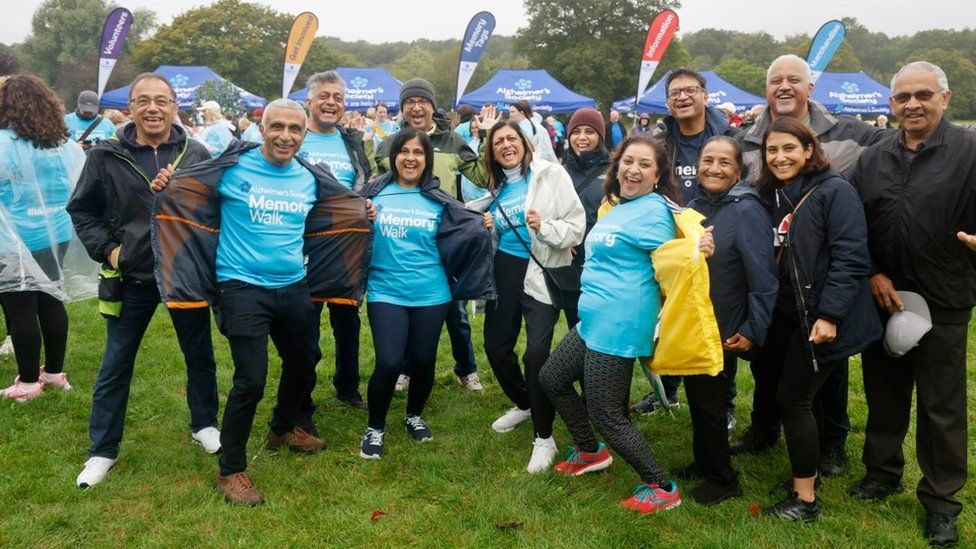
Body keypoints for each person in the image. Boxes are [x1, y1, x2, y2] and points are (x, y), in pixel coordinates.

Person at [149, 98, 374, 504]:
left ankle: (283, 426)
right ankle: (231, 469)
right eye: (277, 127)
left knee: (306, 362)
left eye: (294, 129)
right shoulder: (234, 168)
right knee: (250, 379)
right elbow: (191, 185)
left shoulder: (310, 177)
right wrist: (167, 184)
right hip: (241, 286)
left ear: (304, 134)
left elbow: (340, 206)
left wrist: (363, 210)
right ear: (261, 128)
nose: (285, 136)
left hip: (293, 285)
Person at [733, 55, 887, 478]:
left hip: (820, 286)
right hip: (774, 283)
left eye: (793, 80)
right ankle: (764, 429)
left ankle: (831, 444)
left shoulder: (851, 134)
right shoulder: (745, 137)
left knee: (824, 372)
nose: (784, 87)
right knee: (769, 364)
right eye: (775, 80)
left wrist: (834, 309)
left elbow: (851, 243)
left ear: (810, 88)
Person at [67, 73, 220, 488]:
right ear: (131, 107)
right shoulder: (105, 155)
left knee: (200, 356)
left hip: (184, 274)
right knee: (116, 364)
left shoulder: (196, 151)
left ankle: (205, 424)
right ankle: (102, 450)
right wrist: (112, 251)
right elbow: (82, 210)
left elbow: (211, 208)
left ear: (174, 107)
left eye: (161, 101)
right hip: (132, 276)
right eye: (143, 101)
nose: (153, 108)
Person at [850, 61, 975, 546]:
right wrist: (873, 273)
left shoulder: (969, 151)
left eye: (924, 95)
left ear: (946, 99)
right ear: (891, 105)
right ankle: (881, 474)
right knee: (885, 392)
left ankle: (941, 501)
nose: (913, 105)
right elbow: (855, 224)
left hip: (944, 295)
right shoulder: (875, 157)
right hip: (885, 295)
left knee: (941, 404)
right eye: (903, 97)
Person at [539, 136, 683, 514]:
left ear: (658, 175)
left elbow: (682, 250)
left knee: (607, 414)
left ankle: (661, 486)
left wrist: (699, 248)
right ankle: (590, 451)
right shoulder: (619, 206)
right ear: (617, 165)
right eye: (628, 161)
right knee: (552, 378)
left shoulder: (656, 210)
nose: (633, 170)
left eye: (645, 165)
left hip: (619, 325)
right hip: (593, 320)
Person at [756, 117, 880, 521]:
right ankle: (804, 477)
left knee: (794, 399)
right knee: (801, 398)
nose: (779, 157)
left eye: (789, 148)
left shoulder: (834, 191)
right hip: (793, 313)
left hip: (822, 317)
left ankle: (805, 501)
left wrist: (829, 316)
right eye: (772, 150)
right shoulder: (778, 193)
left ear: (809, 149)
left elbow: (851, 258)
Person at [358, 127, 494, 459]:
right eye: (404, 151)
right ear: (394, 156)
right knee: (389, 362)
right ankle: (375, 427)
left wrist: (481, 223)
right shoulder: (373, 194)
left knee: (422, 362)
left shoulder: (439, 199)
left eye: (418, 153)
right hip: (385, 290)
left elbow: (464, 227)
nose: (410, 158)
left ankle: (413, 415)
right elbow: (350, 227)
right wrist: (362, 216)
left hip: (432, 293)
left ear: (426, 159)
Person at [467, 120, 584, 473]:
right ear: (491, 151)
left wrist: (543, 227)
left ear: (525, 142)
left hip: (542, 273)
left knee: (536, 354)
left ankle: (544, 437)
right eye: (497, 141)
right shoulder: (496, 187)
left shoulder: (550, 175)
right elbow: (493, 236)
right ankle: (527, 402)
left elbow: (576, 226)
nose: (505, 145)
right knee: (496, 347)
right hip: (505, 270)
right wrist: (486, 227)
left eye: (510, 138)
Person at [673, 136, 777, 504]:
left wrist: (753, 327)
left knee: (710, 400)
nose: (713, 168)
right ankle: (706, 462)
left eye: (724, 163)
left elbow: (764, 276)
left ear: (738, 170)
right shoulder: (696, 205)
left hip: (726, 324)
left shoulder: (746, 210)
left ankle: (723, 479)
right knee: (700, 395)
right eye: (707, 160)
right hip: (697, 319)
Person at [632, 67, 739, 419]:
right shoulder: (660, 142)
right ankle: (670, 389)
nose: (682, 97)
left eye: (689, 90)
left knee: (717, 321)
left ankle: (724, 403)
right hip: (674, 242)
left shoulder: (731, 135)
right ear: (667, 102)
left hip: (720, 238)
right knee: (671, 317)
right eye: (674, 92)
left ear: (705, 96)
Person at [372, 77, 488, 393]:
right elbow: (379, 184)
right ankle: (407, 369)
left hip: (447, 238)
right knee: (407, 305)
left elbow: (482, 175)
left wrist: (487, 137)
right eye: (410, 101)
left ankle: (467, 369)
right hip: (404, 237)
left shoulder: (453, 141)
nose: (416, 106)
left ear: (432, 106)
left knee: (456, 312)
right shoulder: (389, 144)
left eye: (422, 100)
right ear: (403, 109)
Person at [0, 74, 90, 400]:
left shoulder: (3, 144)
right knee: (51, 300)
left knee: (21, 309)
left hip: (14, 241)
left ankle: (27, 383)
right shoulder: (65, 146)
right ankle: (53, 373)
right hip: (56, 234)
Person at [298, 70, 374, 414]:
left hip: (346, 246)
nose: (331, 103)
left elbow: (363, 184)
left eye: (338, 98)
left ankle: (348, 388)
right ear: (309, 102)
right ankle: (302, 391)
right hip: (303, 244)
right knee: (305, 323)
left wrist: (368, 204)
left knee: (348, 322)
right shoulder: (295, 136)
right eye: (325, 96)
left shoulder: (351, 141)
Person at [559, 107, 610, 328]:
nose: (581, 137)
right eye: (576, 131)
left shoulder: (615, 171)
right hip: (569, 263)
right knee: (575, 328)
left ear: (599, 135)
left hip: (602, 264)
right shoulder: (558, 171)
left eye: (589, 131)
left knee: (601, 326)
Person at [454, 105, 487, 203]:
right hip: (467, 179)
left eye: (477, 127)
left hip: (478, 184)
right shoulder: (471, 143)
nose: (474, 130)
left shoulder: (483, 143)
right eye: (472, 128)